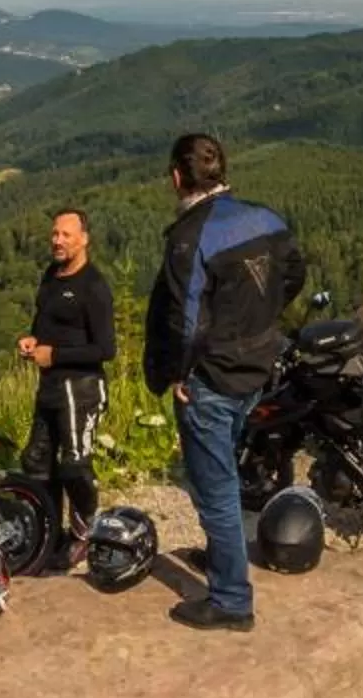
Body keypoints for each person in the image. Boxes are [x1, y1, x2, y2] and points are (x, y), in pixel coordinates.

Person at [142, 132, 305, 632]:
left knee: (214, 486)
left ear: (176, 177)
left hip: (210, 379)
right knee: (224, 469)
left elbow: (186, 323)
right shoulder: (267, 218)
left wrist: (177, 374)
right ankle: (222, 555)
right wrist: (257, 323)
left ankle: (232, 599)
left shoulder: (190, 238)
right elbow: (294, 274)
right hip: (256, 368)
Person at [17, 207, 115, 573]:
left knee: (74, 466)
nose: (57, 240)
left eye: (66, 235)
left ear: (84, 239)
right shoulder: (51, 276)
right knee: (37, 464)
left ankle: (85, 533)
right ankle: (47, 534)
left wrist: (54, 354)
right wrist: (32, 341)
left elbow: (106, 349)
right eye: (55, 234)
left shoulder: (94, 287)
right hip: (50, 387)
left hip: (81, 388)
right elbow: (43, 324)